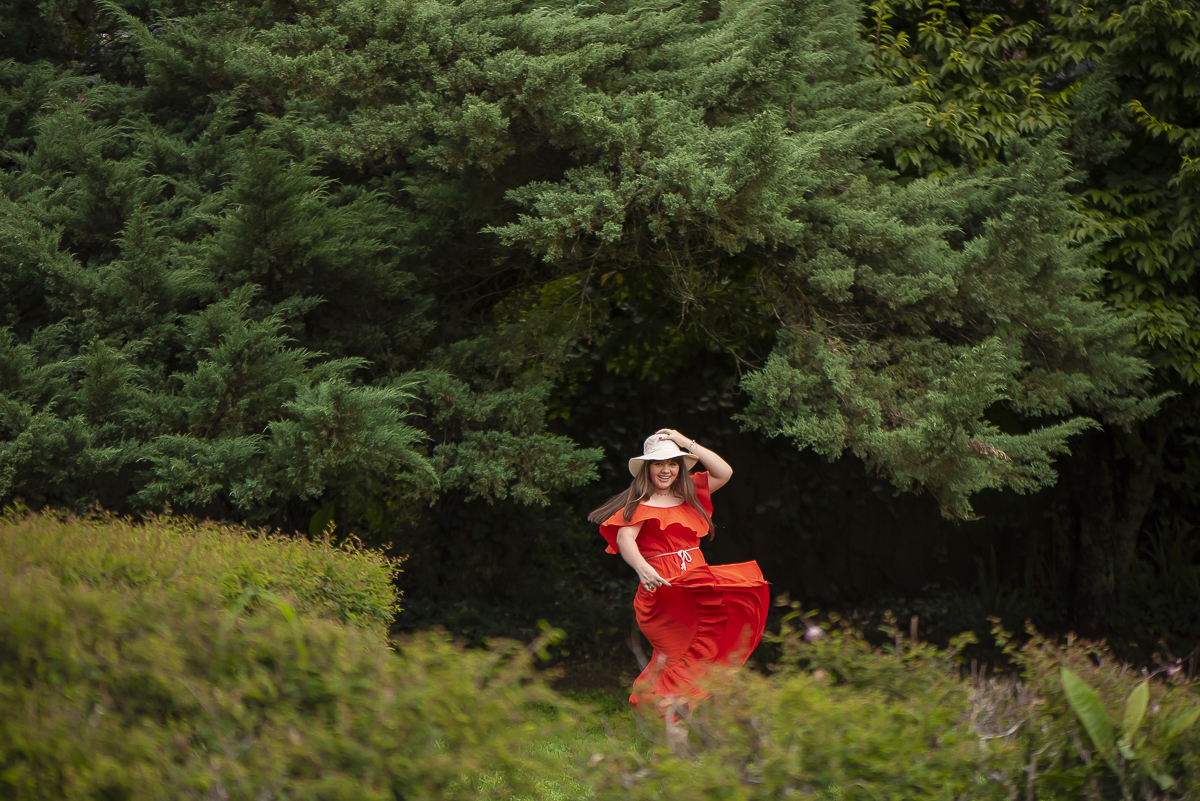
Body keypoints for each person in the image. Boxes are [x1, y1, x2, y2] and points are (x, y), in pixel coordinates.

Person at [588, 428, 770, 718]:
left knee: (708, 652)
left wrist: (685, 442)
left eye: (673, 463)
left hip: (697, 587)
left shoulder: (689, 495)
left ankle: (681, 729)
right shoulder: (639, 504)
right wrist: (642, 567)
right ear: (647, 468)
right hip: (664, 590)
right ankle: (670, 722)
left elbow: (724, 472)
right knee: (677, 658)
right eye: (659, 463)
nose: (666, 470)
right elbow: (625, 540)